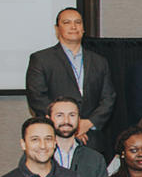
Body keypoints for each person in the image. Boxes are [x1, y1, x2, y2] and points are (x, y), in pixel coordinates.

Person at [26, 8, 115, 155]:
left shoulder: (99, 61)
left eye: (78, 22)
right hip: (55, 138)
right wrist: (67, 125)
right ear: (57, 29)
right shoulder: (41, 59)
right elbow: (37, 98)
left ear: (83, 28)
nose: (73, 27)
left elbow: (108, 98)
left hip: (90, 138)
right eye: (67, 22)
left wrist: (87, 123)